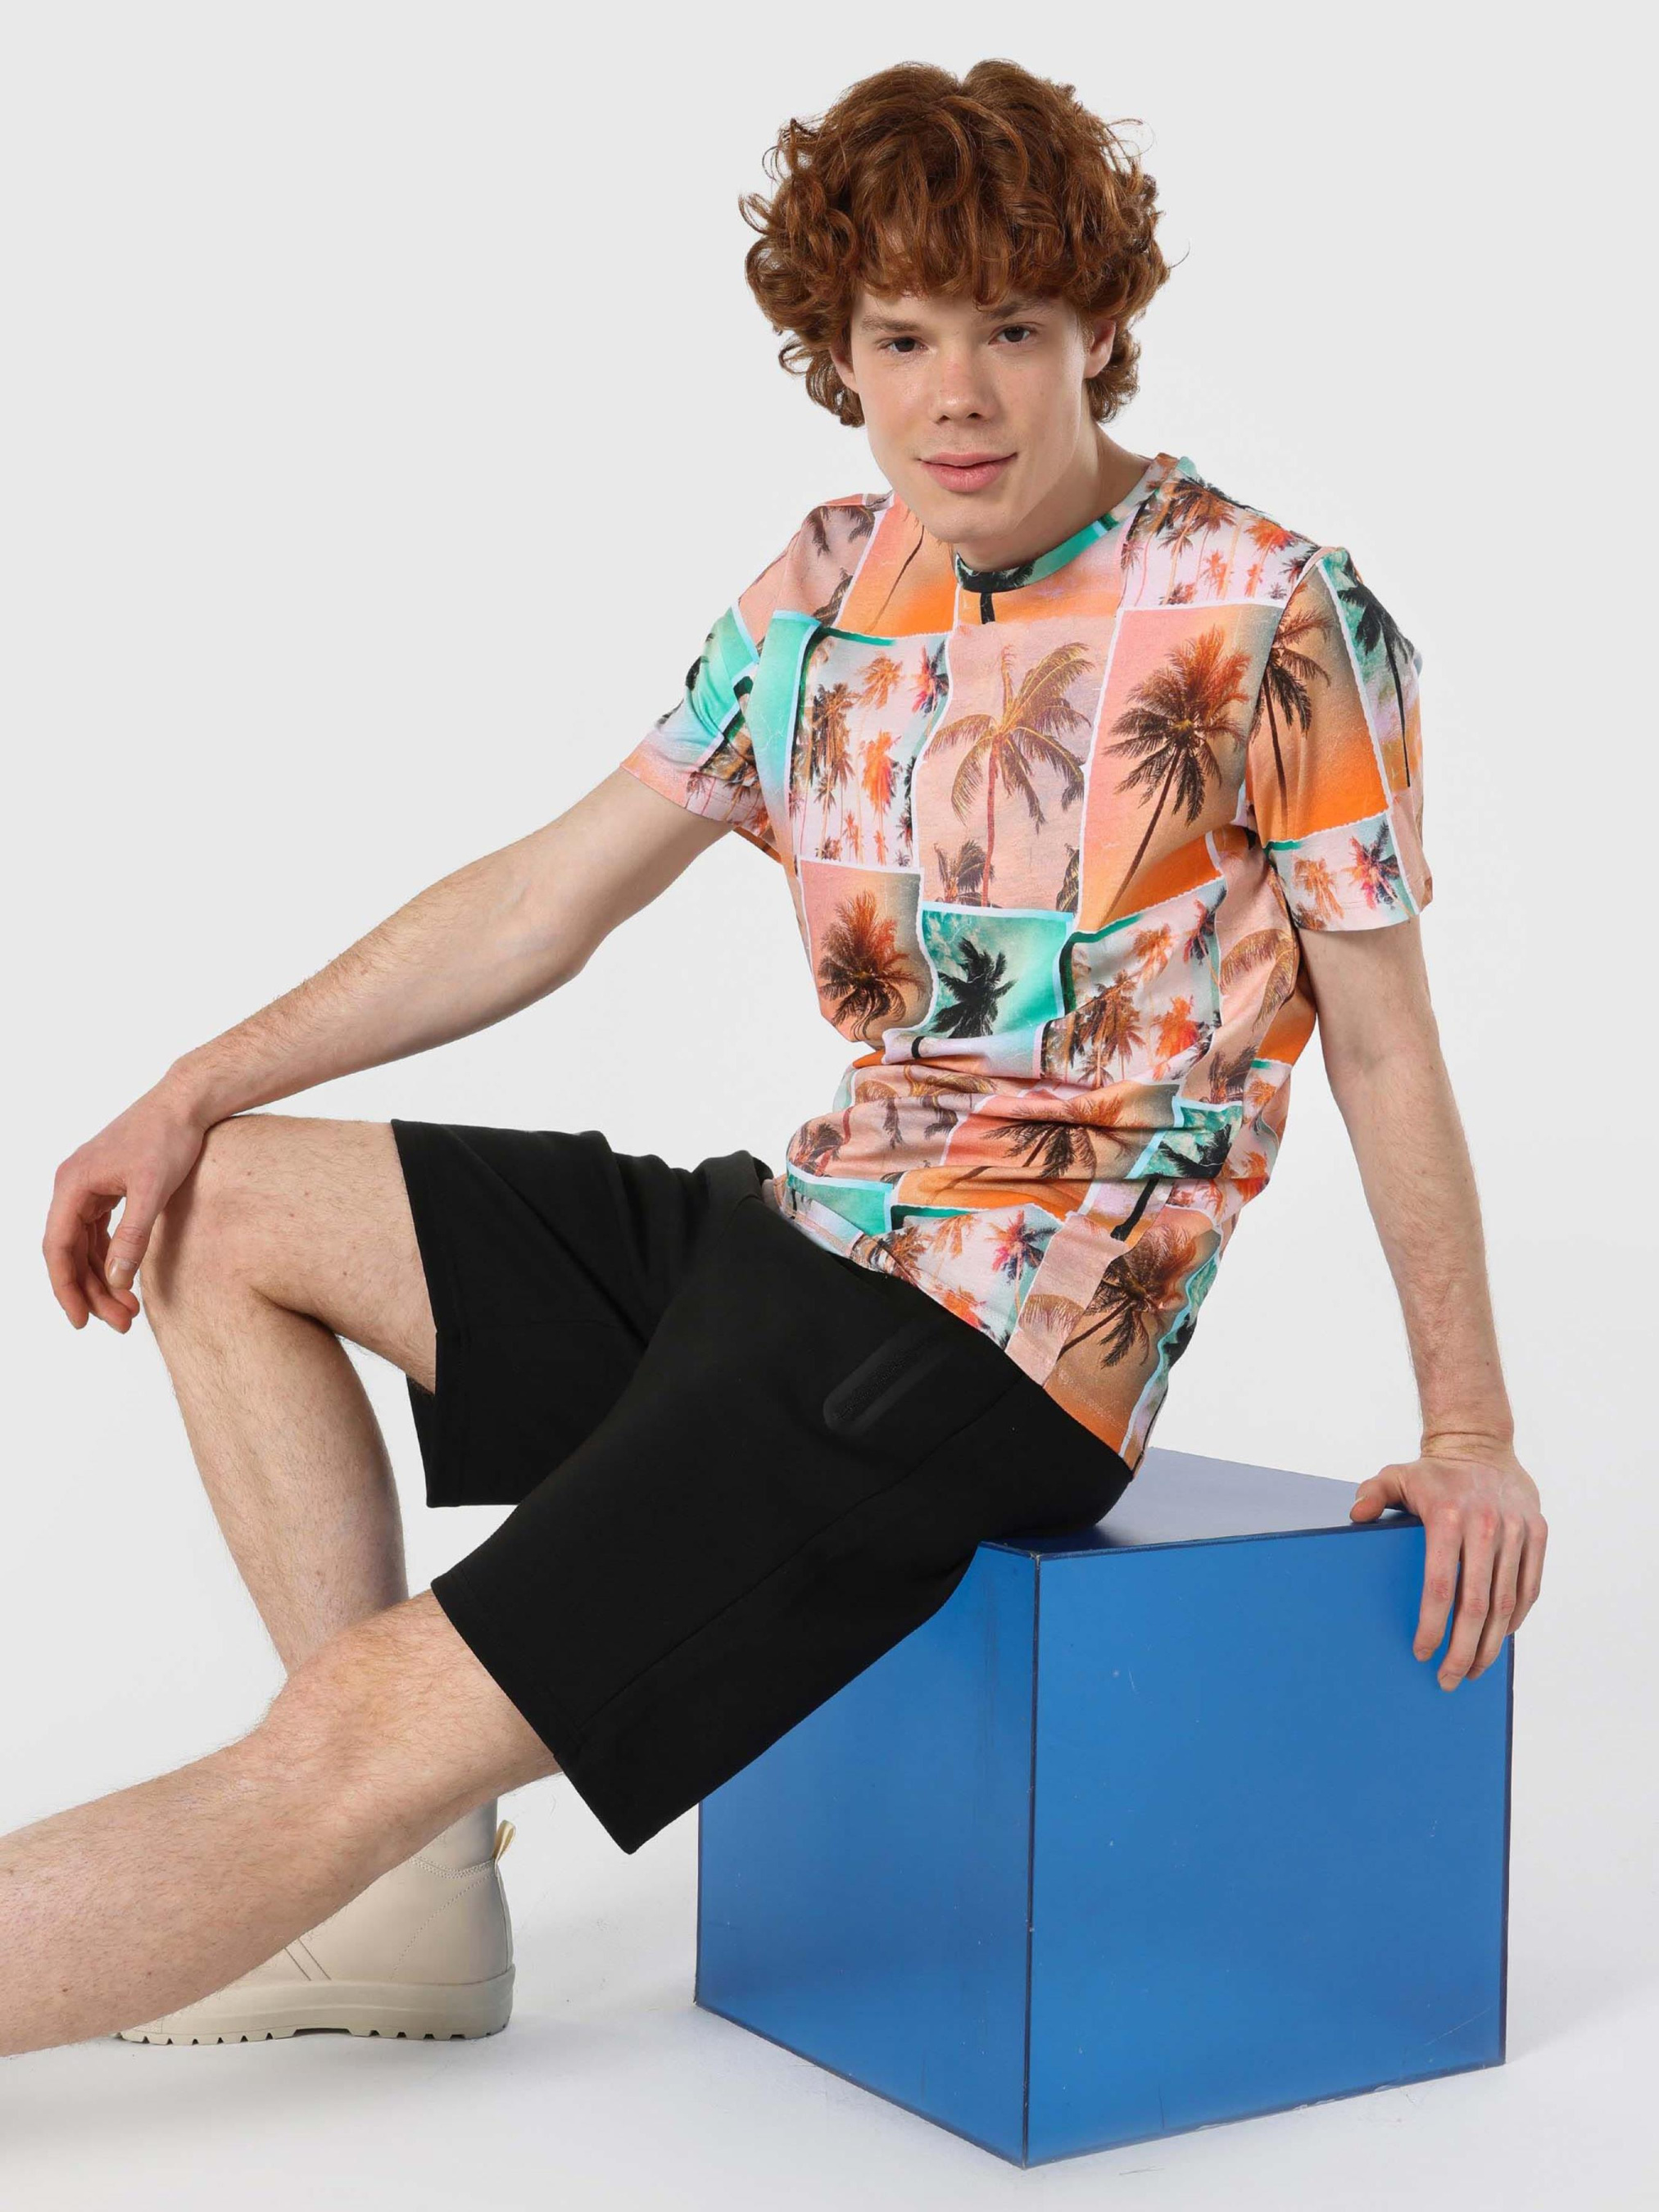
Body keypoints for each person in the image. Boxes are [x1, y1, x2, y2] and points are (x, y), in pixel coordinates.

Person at [5, 57, 1545, 2062]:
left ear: (1098, 329)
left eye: (1009, 328)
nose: (956, 396)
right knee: (218, 1206)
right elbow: (542, 898)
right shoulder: (824, 584)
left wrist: (1466, 1425)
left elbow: (1386, 1047)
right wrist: (187, 1087)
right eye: (900, 339)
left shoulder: (1265, 611)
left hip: (987, 1348)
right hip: (800, 1246)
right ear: (840, 353)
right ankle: (409, 1897)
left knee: (360, 1721)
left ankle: (373, 1804)